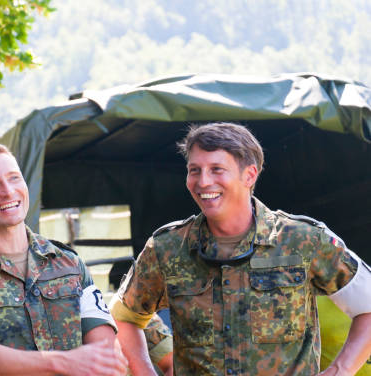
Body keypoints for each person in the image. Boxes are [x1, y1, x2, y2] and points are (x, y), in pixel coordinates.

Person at [110, 122, 371, 375]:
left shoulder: (303, 241)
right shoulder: (167, 248)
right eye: (194, 170)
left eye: (216, 169)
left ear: (249, 175)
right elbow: (124, 318)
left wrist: (341, 370)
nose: (203, 182)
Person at [0, 143, 128, 375]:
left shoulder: (69, 264)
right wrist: (62, 363)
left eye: (14, 178)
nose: (8, 191)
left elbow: (106, 353)